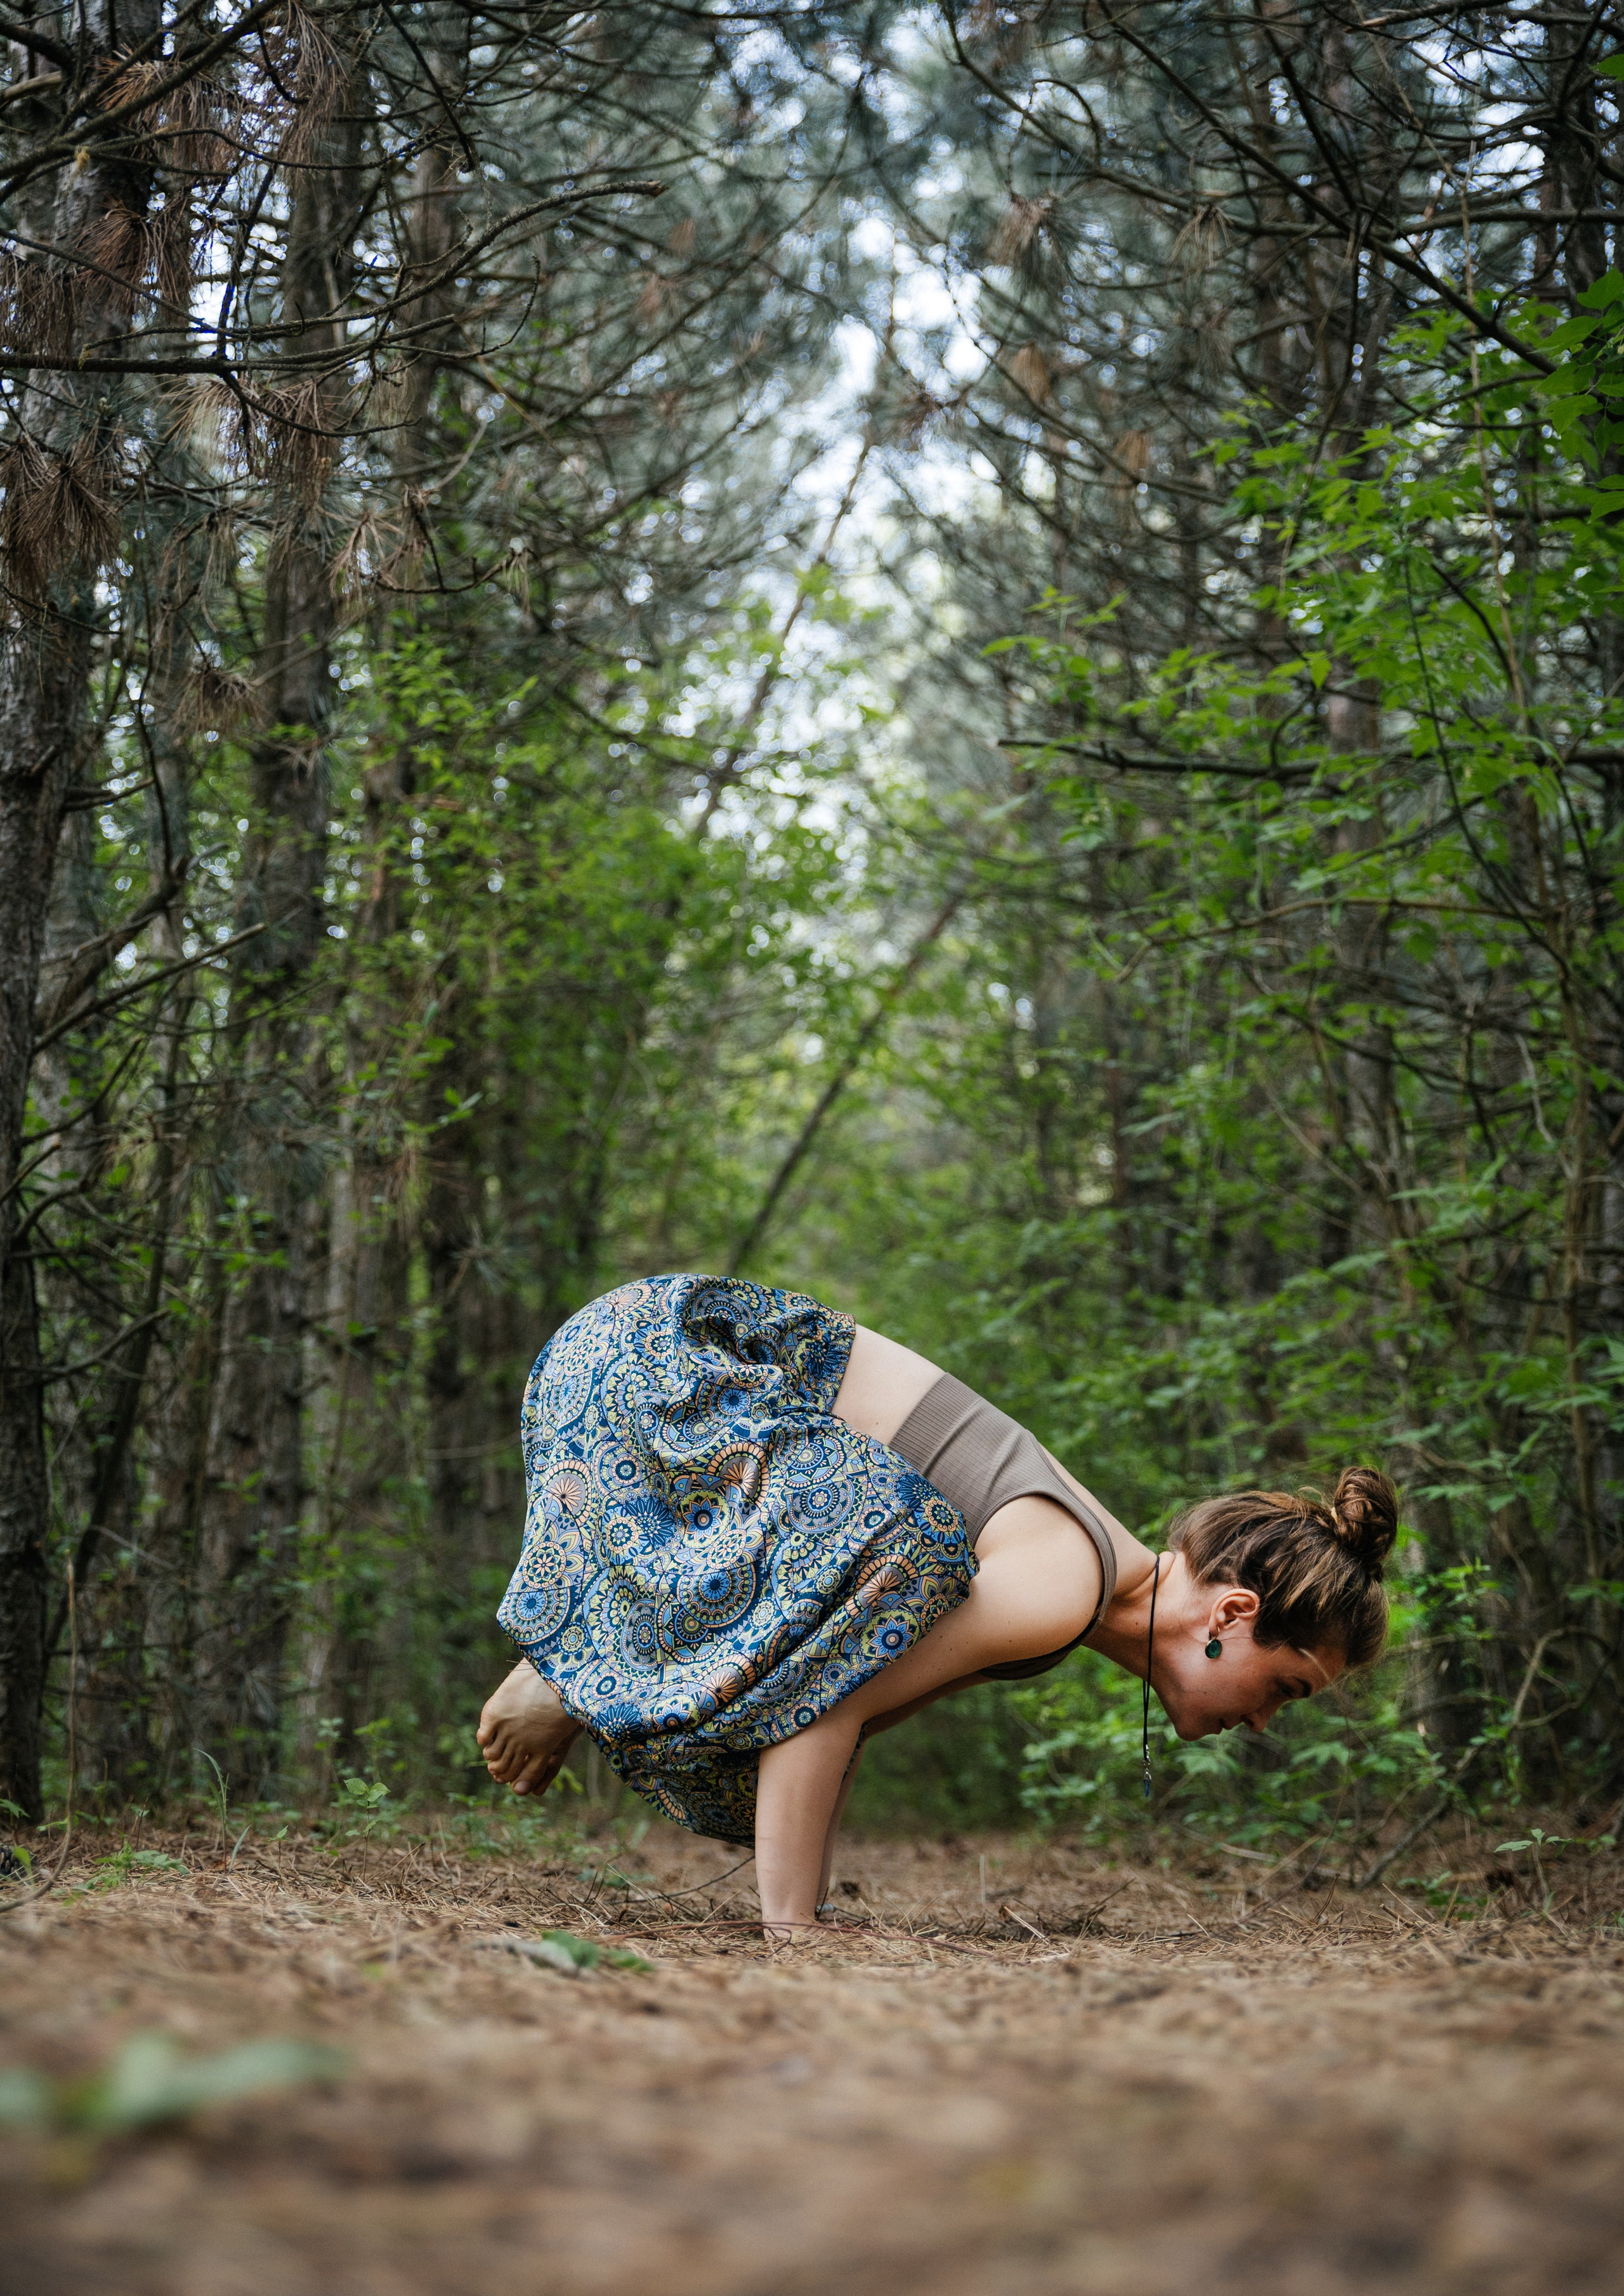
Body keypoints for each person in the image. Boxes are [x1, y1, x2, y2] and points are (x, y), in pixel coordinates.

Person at [476, 1274, 1396, 1936]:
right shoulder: (1061, 1588)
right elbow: (825, 1708)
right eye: (1289, 1686)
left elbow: (840, 1700)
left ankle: (588, 1660)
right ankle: (579, 1663)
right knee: (886, 1557)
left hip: (653, 1371)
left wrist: (813, 1902)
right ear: (1233, 1616)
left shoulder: (1078, 1586)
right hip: (663, 1362)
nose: (1271, 1721)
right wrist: (794, 1931)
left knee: (846, 1623)